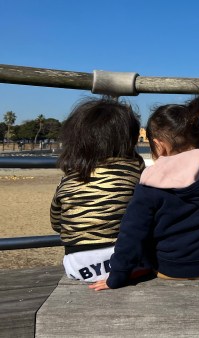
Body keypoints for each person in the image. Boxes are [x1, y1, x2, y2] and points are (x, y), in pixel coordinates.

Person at [89, 95, 199, 290]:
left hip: (169, 268)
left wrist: (117, 276)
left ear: (158, 145)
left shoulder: (151, 182)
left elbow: (131, 234)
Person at [50, 97, 145, 282]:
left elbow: (56, 222)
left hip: (78, 266)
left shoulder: (69, 177)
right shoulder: (134, 170)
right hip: (126, 262)